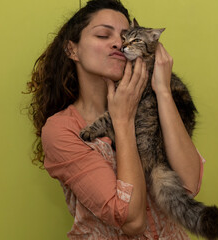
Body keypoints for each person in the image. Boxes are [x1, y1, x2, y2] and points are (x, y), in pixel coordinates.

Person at [26, 0, 204, 239]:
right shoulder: (62, 130)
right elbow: (132, 221)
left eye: (123, 37)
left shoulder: (155, 100)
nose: (118, 44)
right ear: (72, 50)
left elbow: (189, 184)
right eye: (102, 35)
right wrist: (123, 121)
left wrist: (162, 91)